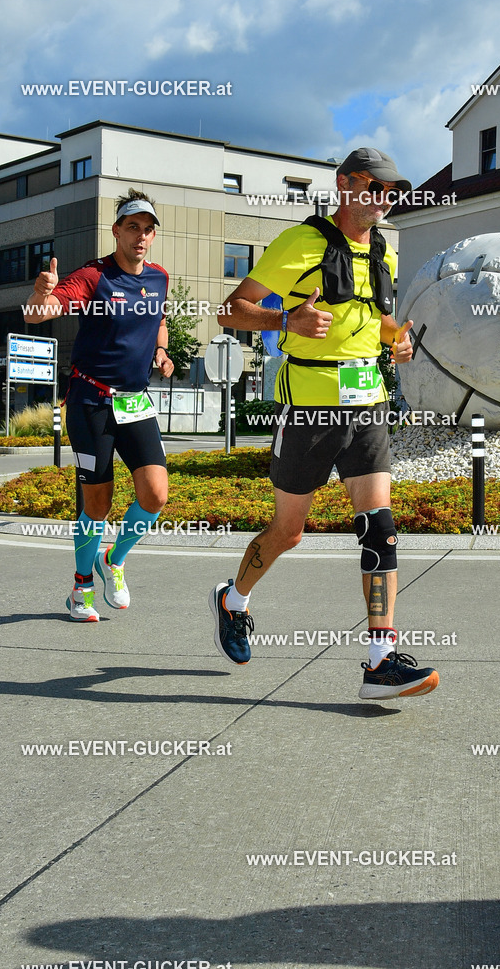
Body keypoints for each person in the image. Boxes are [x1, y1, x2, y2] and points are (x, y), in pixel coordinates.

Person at [209, 147, 439, 700]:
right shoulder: (300, 243)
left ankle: (380, 658)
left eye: (392, 191)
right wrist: (285, 318)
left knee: (379, 526)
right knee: (289, 531)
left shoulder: (381, 251)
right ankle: (233, 598)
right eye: (375, 187)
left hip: (368, 406)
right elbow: (230, 309)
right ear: (344, 185)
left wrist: (397, 340)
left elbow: (372, 318)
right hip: (308, 411)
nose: (385, 198)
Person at [24, 189, 174, 622]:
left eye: (148, 230)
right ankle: (81, 585)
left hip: (134, 401)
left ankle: (114, 560)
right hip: (90, 400)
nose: (141, 237)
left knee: (155, 493)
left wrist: (160, 352)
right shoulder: (93, 276)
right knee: (97, 504)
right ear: (117, 232)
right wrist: (40, 294)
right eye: (133, 228)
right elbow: (41, 313)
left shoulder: (158, 278)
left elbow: (158, 318)